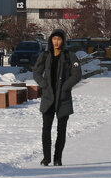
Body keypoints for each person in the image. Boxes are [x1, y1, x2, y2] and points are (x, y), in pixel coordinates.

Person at [33, 28, 81, 166]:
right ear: (51, 40)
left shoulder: (69, 56)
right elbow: (36, 72)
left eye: (59, 39)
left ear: (63, 41)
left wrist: (65, 86)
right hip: (48, 98)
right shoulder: (45, 55)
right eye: (54, 39)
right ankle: (46, 157)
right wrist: (44, 84)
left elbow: (77, 74)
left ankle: (58, 158)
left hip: (63, 98)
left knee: (62, 130)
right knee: (46, 129)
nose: (56, 42)